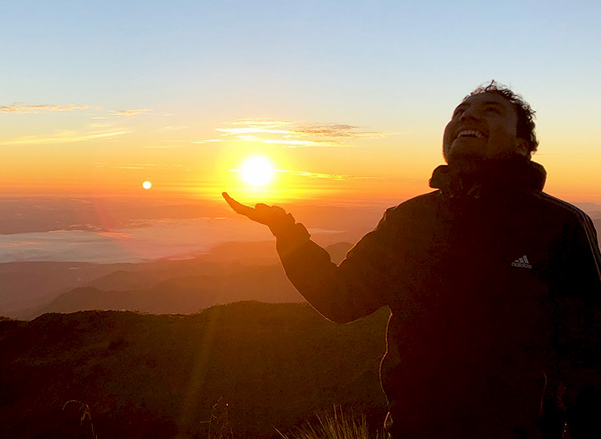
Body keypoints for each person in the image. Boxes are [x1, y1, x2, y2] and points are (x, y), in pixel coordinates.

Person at [223, 83, 601, 438]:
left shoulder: (559, 225)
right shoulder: (408, 220)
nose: (467, 117)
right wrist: (287, 234)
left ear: (522, 146)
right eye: (459, 112)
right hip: (414, 428)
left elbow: (589, 352)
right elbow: (340, 299)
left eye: (490, 111)